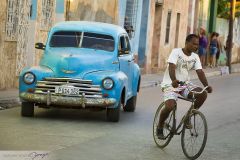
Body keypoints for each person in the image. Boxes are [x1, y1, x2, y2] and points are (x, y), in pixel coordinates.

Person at [157, 34, 213, 139]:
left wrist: (207, 85)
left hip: (184, 85)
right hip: (170, 83)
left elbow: (200, 72)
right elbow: (171, 67)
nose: (196, 46)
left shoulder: (195, 57)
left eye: (197, 44)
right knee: (169, 106)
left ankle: (188, 117)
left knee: (202, 94)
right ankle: (160, 126)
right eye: (194, 44)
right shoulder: (176, 52)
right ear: (186, 43)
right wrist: (173, 79)